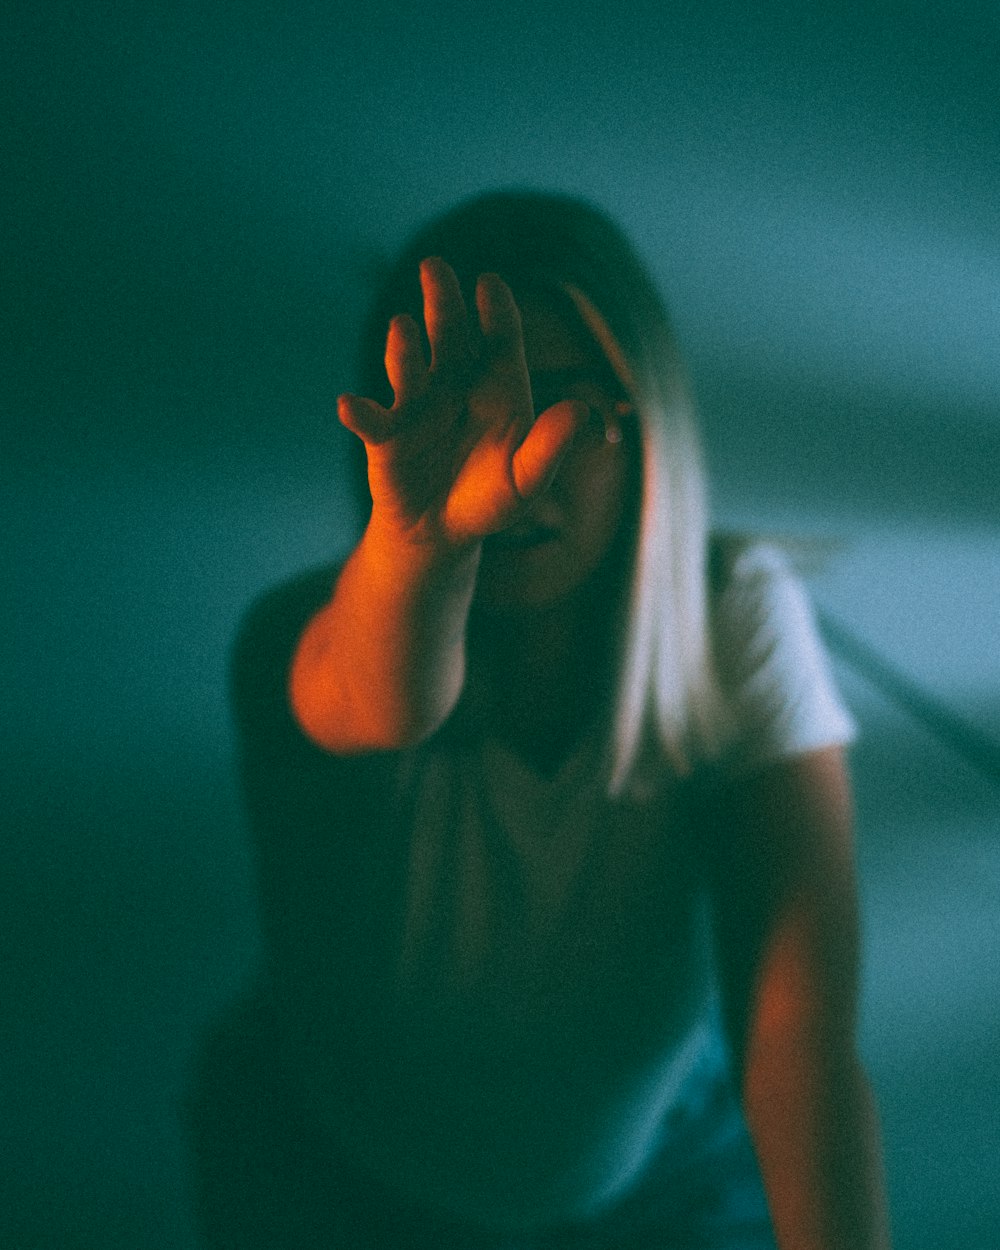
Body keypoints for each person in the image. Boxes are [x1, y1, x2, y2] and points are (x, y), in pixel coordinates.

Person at [185, 190, 891, 1248]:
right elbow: (379, 696)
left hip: (658, 1165)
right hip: (335, 1178)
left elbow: (798, 1031)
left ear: (648, 425)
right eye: (473, 402)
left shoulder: (734, 613)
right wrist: (423, 544)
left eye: (570, 405)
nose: (525, 464)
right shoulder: (293, 634)